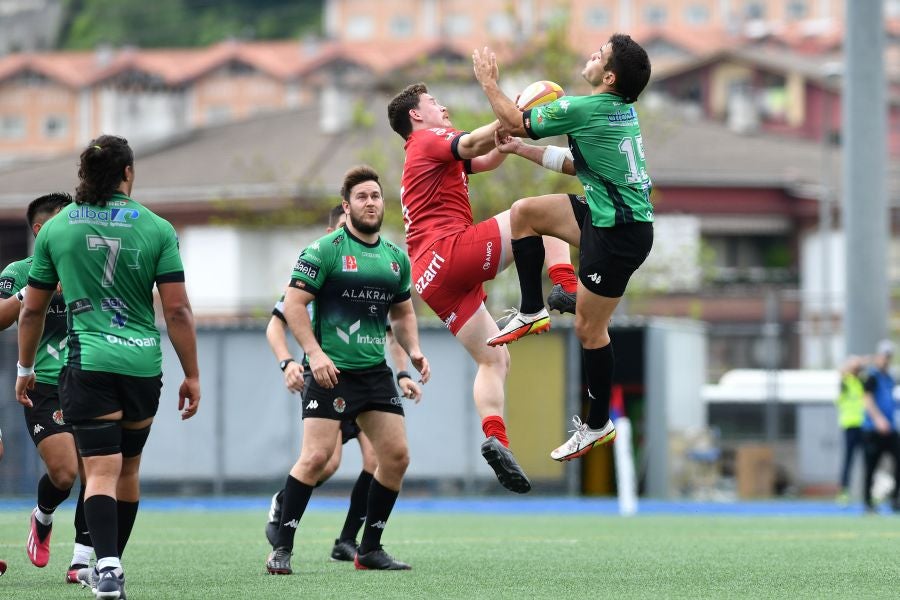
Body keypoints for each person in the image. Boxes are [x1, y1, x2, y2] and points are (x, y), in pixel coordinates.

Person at [15, 135, 201, 599]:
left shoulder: (57, 229)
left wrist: (24, 368)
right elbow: (177, 311)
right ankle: (106, 561)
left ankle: (108, 569)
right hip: (142, 363)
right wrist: (193, 374)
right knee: (129, 470)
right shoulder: (157, 227)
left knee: (98, 471)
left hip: (89, 363)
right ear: (128, 174)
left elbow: (31, 311)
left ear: (84, 174)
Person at [387, 83, 580, 494]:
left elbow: (485, 155)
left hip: (430, 277)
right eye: (434, 104)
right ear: (416, 117)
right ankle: (565, 287)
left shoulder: (429, 153)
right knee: (541, 214)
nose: (443, 107)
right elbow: (474, 141)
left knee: (495, 360)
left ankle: (496, 438)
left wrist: (511, 138)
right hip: (448, 251)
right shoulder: (425, 140)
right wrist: (516, 111)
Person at [472, 34, 653, 462]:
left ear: (608, 76)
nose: (590, 55)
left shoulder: (586, 108)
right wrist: (521, 150)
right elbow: (577, 165)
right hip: (606, 217)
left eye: (599, 55)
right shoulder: (613, 111)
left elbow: (515, 119)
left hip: (619, 236)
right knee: (525, 213)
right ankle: (533, 308)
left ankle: (596, 425)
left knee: (590, 331)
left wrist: (489, 85)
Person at [265, 165, 430, 575]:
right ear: (347, 205)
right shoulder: (324, 251)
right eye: (362, 197)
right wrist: (311, 355)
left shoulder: (395, 259)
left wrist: (412, 354)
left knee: (396, 457)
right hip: (329, 373)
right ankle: (281, 548)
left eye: (376, 196)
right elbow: (293, 307)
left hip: (374, 373)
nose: (370, 202)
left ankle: (367, 549)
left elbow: (404, 313)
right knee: (319, 458)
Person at [0, 192, 95, 583]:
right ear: (42, 230)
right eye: (65, 220)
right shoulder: (20, 271)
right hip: (42, 384)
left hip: (90, 378)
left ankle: (81, 561)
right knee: (64, 472)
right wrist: (34, 291)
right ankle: (42, 516)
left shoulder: (86, 266)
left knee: (97, 472)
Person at [861, 339, 900, 512]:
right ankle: (868, 502)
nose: (886, 359)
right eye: (884, 355)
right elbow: (867, 400)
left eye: (889, 356)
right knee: (871, 466)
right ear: (878, 356)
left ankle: (895, 499)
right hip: (873, 429)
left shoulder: (890, 378)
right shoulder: (871, 376)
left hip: (890, 429)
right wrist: (878, 419)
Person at [835, 355, 865, 505]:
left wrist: (862, 362)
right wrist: (853, 363)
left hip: (863, 425)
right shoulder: (845, 382)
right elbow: (841, 371)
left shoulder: (862, 382)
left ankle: (868, 492)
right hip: (849, 425)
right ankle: (844, 492)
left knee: (867, 461)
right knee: (848, 460)